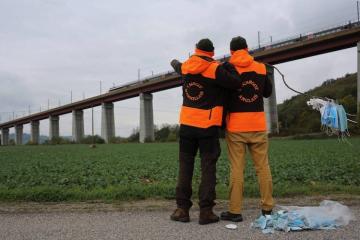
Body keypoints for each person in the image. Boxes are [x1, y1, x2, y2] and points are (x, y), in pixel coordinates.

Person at [170, 38, 244, 225]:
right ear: (211, 53)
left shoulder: (186, 67)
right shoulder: (215, 69)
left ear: (196, 50)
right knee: (208, 168)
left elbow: (177, 65)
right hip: (208, 127)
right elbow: (236, 82)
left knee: (185, 166)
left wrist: (174, 62)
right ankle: (206, 212)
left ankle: (181, 210)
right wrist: (228, 66)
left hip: (186, 125)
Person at [220, 36, 275, 222]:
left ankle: (235, 212)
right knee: (263, 167)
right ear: (247, 48)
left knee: (237, 168)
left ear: (231, 51)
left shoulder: (227, 68)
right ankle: (267, 209)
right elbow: (267, 93)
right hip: (258, 125)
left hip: (235, 126)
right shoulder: (261, 67)